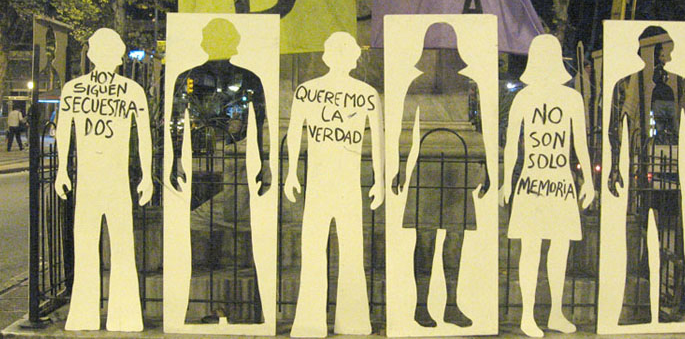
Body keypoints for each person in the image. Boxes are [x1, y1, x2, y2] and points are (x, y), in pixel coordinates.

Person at [169, 18, 271, 323]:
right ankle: (223, 305)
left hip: (233, 161)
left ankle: (228, 306)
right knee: (218, 236)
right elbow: (177, 121)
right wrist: (176, 158)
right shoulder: (195, 78)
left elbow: (260, 123)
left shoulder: (244, 79)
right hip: (217, 161)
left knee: (230, 236)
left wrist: (263, 162)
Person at [285, 32, 384, 337]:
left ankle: (349, 320)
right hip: (324, 182)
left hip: (343, 183)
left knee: (342, 249)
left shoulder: (364, 94)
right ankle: (314, 321)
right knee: (321, 249)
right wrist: (291, 172)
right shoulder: (310, 92)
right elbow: (294, 132)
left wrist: (379, 179)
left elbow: (378, 141)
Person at [390, 23, 489, 328]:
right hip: (428, 167)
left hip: (459, 166)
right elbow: (406, 129)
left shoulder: (471, 84)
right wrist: (400, 166)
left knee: (455, 240)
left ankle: (451, 304)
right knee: (425, 239)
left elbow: (482, 126)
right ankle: (421, 305)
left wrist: (484, 164)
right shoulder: (415, 85)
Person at [55, 28, 153, 331]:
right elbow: (63, 130)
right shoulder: (77, 90)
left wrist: (147, 175)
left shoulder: (128, 91)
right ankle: (91, 314)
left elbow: (145, 135)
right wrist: (61, 170)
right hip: (93, 179)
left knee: (113, 244)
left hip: (112, 179)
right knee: (97, 244)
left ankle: (119, 315)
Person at [501, 34, 594, 338]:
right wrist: (506, 180)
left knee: (560, 248)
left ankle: (556, 312)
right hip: (532, 182)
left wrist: (589, 180)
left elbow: (580, 142)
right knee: (530, 248)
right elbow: (511, 143)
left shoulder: (571, 99)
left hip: (561, 182)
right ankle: (527, 315)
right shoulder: (523, 98)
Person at [607, 26, 685, 324]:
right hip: (641, 175)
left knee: (669, 242)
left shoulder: (681, 85)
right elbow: (614, 130)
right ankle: (638, 308)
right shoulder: (626, 85)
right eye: (664, 50)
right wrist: (614, 167)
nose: (669, 56)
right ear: (652, 52)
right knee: (638, 242)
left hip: (665, 175)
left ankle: (672, 307)